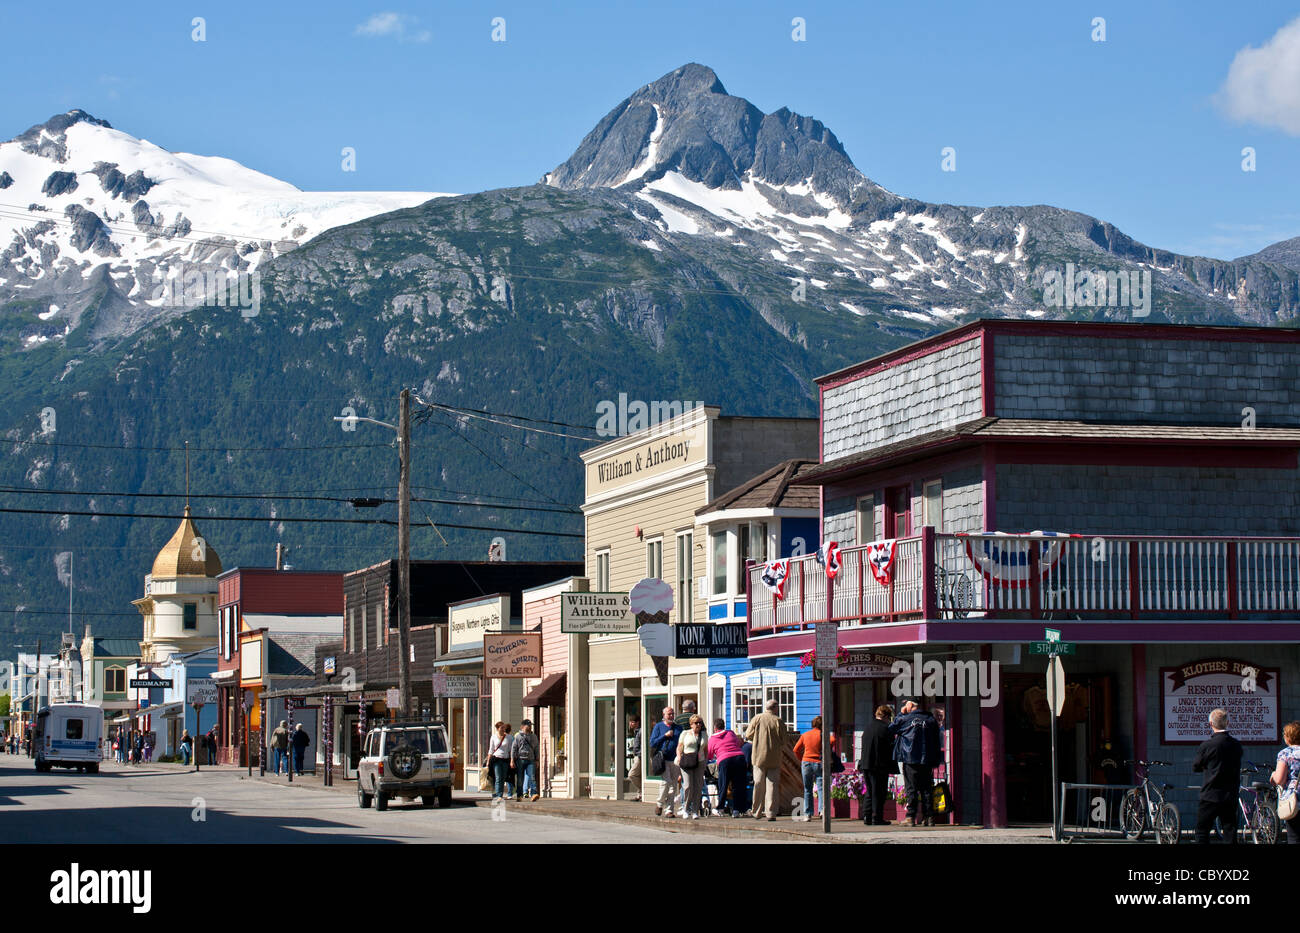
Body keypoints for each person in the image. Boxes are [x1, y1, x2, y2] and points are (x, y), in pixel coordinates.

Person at [1193, 707, 1243, 844]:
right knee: (1230, 831)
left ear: (1210, 724)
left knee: (1202, 831)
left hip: (1210, 794)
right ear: (1227, 723)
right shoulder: (1236, 745)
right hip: (1230, 795)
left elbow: (1196, 766)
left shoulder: (1207, 745)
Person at [888, 699, 942, 826]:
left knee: (911, 788)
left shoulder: (904, 719)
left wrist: (901, 713)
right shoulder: (930, 720)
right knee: (927, 788)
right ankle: (929, 817)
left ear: (910, 705)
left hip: (910, 758)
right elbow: (937, 740)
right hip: (927, 759)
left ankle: (910, 817)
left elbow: (891, 729)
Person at [744, 698, 787, 821]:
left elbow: (748, 735)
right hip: (774, 757)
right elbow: (784, 741)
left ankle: (756, 811)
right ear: (775, 708)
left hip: (758, 757)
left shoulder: (757, 718)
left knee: (758, 784)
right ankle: (771, 813)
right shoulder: (778, 721)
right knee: (772, 786)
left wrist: (757, 738)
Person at [794, 715, 837, 819]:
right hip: (819, 761)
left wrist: (802, 759)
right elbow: (833, 740)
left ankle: (807, 814)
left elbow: (796, 749)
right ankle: (822, 811)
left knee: (807, 789)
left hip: (806, 762)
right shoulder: (823, 735)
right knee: (821, 788)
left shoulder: (805, 735)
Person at [858, 705, 895, 825]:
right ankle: (877, 817)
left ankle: (867, 816)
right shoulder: (885, 728)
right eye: (889, 717)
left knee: (870, 791)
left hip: (866, 764)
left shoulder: (868, 727)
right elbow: (890, 747)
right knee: (879, 792)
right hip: (879, 765)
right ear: (885, 716)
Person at [710, 718, 748, 817]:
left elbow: (709, 755)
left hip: (725, 760)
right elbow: (738, 743)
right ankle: (737, 810)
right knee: (738, 785)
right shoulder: (730, 733)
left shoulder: (713, 739)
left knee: (724, 784)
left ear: (715, 728)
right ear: (724, 726)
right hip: (739, 757)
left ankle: (720, 808)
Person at [1271, 720, 1300, 845]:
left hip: (1295, 800)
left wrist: (1273, 776)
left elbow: (1280, 780)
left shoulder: (1286, 753)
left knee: (1294, 837)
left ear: (1288, 737)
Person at [650, 706, 682, 817]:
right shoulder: (658, 727)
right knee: (665, 782)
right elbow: (652, 743)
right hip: (663, 759)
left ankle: (669, 810)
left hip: (675, 760)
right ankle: (659, 804)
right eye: (669, 714)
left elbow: (681, 742)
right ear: (664, 716)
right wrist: (664, 736)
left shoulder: (678, 728)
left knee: (673, 785)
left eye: (673, 714)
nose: (671, 716)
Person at [676, 715, 709, 819]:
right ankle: (685, 808)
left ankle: (695, 810)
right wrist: (679, 758)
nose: (698, 725)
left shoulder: (704, 734)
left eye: (700, 722)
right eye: (696, 723)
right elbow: (679, 748)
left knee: (698, 787)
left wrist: (705, 761)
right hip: (687, 762)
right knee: (688, 786)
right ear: (691, 724)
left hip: (699, 762)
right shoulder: (685, 734)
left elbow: (705, 749)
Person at [513, 719, 540, 801]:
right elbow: (514, 748)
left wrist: (537, 759)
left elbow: (536, 748)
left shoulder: (534, 736)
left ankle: (534, 794)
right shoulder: (518, 736)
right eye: (528, 725)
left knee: (532, 777)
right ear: (523, 726)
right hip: (520, 759)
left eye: (530, 725)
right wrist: (512, 760)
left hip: (531, 759)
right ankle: (519, 795)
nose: (530, 727)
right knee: (520, 778)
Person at [487, 721, 514, 800]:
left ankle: (499, 793)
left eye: (504, 727)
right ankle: (499, 795)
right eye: (501, 727)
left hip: (505, 759)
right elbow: (491, 750)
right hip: (496, 759)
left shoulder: (508, 737)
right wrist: (488, 760)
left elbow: (510, 750)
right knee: (498, 777)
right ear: (498, 728)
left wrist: (511, 759)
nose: (503, 729)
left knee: (503, 777)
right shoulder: (493, 737)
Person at [625, 715, 642, 800]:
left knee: (631, 775)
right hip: (636, 756)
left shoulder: (640, 731)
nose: (630, 724)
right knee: (639, 775)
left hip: (640, 757)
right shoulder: (635, 732)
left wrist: (639, 754)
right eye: (630, 722)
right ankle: (640, 794)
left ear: (637, 723)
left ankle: (643, 789)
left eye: (632, 722)